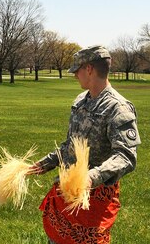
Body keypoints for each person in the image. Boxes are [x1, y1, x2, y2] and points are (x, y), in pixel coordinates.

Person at [29, 46, 141, 244]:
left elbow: (126, 155)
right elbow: (71, 145)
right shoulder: (81, 101)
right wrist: (46, 163)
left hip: (93, 199)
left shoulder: (118, 108)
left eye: (77, 70)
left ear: (89, 69)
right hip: (67, 191)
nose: (75, 76)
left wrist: (91, 177)